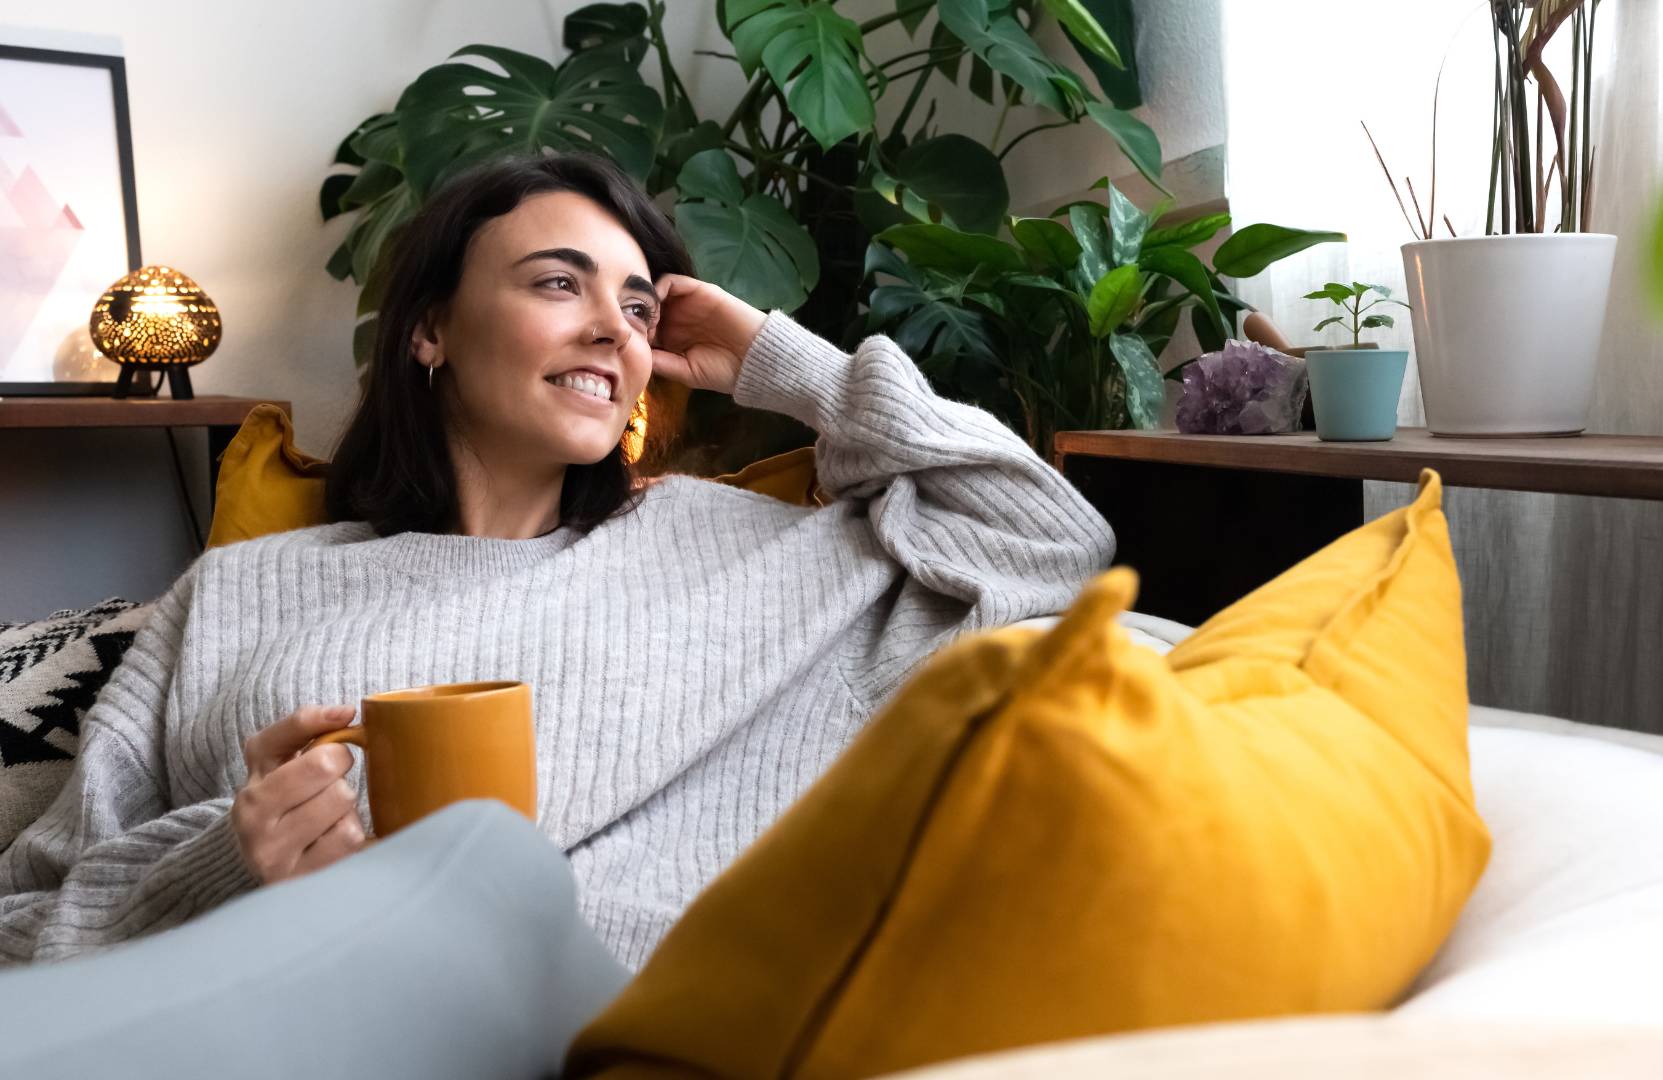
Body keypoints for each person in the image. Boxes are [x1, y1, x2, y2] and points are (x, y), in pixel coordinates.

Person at [0, 152, 1117, 968]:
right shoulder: (240, 591)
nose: (614, 330)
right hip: (268, 1005)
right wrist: (226, 869)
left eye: (636, 305)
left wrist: (784, 363)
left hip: (612, 1018)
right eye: (556, 283)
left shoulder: (754, 557)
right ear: (429, 330)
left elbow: (1045, 544)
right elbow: (30, 921)